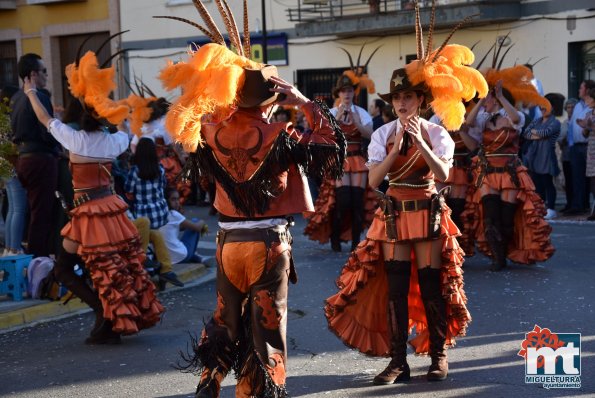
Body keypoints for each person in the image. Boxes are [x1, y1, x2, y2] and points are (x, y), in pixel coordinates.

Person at [156, 4, 345, 395]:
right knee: (266, 325)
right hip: (267, 244)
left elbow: (193, 131)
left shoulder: (211, 133)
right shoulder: (280, 134)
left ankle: (210, 381)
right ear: (269, 98)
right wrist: (303, 102)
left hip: (228, 244)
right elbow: (331, 143)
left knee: (226, 319)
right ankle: (254, 393)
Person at [326, 11, 487, 383]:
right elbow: (373, 182)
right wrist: (398, 146)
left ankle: (438, 356)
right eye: (397, 97)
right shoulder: (383, 134)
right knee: (395, 289)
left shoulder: (438, 133)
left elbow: (444, 174)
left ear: (420, 100)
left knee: (432, 286)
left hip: (428, 212)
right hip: (394, 213)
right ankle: (398, 362)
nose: (402, 103)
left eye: (408, 97)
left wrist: (422, 146)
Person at [22, 49, 163, 344]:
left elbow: (45, 119)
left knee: (65, 268)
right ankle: (109, 317)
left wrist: (31, 93)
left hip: (88, 212)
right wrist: (120, 113)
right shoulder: (114, 141)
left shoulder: (75, 139)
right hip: (111, 210)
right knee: (113, 268)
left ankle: (103, 312)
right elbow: (126, 129)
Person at [462, 65, 555, 271]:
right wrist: (481, 100)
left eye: (485, 98)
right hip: (487, 171)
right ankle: (498, 258)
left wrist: (500, 96)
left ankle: (505, 251)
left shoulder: (514, 117)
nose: (482, 102)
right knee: (490, 215)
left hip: (509, 171)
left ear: (495, 99)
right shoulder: (482, 120)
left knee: (506, 217)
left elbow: (515, 119)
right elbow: (467, 125)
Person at [304, 74, 374, 252]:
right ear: (339, 94)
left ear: (353, 93)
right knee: (342, 202)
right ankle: (335, 237)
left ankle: (355, 241)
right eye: (343, 91)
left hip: (357, 159)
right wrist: (340, 116)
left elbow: (370, 135)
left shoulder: (362, 112)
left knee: (357, 202)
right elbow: (326, 137)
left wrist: (356, 121)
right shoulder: (332, 113)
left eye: (349, 90)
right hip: (340, 161)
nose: (347, 94)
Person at [10, 53, 61, 258]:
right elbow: (47, 131)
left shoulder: (16, 98)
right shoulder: (39, 97)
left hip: (23, 159)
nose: (46, 76)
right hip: (40, 159)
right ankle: (38, 262)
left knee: (31, 211)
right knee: (41, 214)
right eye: (44, 72)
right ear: (33, 74)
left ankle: (32, 257)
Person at [125, 137, 183, 287]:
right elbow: (163, 187)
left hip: (144, 214)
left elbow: (129, 191)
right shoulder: (160, 169)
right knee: (156, 235)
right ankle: (166, 270)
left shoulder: (135, 171)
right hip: (160, 213)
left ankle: (142, 259)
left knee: (146, 230)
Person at [522, 93, 562, 220]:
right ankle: (540, 206)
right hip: (535, 156)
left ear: (553, 107)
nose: (542, 108)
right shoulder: (537, 121)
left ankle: (551, 208)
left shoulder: (555, 122)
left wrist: (536, 134)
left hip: (547, 157)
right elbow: (526, 134)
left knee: (547, 182)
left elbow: (546, 132)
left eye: (545, 106)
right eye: (541, 106)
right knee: (537, 183)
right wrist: (538, 135)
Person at [0, 85, 27, 256]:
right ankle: (14, 249)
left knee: (12, 207)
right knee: (18, 208)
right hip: (11, 164)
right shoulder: (9, 119)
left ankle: (10, 249)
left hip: (3, 166)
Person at [566, 79, 595, 214]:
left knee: (591, 178)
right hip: (576, 147)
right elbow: (571, 126)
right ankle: (579, 206)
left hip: (590, 146)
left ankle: (589, 205)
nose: (579, 90)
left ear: (588, 90)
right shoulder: (577, 106)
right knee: (577, 177)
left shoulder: (592, 106)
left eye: (581, 88)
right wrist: (571, 144)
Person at [159, 187, 207, 264]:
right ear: (166, 200)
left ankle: (197, 257)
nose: (177, 202)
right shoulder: (173, 214)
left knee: (190, 226)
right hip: (181, 256)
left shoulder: (158, 214)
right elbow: (197, 228)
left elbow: (174, 227)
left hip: (165, 258)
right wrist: (202, 221)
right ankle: (195, 256)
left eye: (178, 199)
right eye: (173, 199)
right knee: (195, 221)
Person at [558, 98, 578, 213]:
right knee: (568, 180)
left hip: (576, 154)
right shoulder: (565, 123)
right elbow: (559, 139)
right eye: (568, 107)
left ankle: (577, 204)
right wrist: (562, 140)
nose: (570, 110)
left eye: (572, 107)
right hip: (566, 155)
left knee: (577, 180)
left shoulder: (578, 121)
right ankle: (569, 203)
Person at [578, 87, 595, 220]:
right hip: (591, 152)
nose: (587, 100)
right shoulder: (589, 113)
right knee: (593, 183)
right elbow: (585, 134)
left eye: (589, 98)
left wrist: (590, 126)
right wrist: (584, 127)